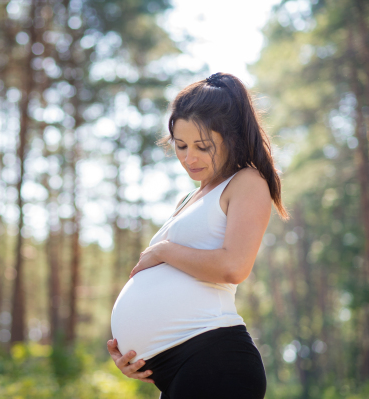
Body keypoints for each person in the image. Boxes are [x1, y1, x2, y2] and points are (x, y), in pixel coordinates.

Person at [107, 72, 289, 399]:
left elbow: (234, 266)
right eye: (180, 146)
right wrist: (139, 356)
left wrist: (164, 250)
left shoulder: (246, 181)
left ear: (231, 138)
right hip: (180, 369)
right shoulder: (190, 198)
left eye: (202, 147)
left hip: (215, 360)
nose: (189, 158)